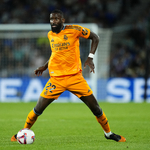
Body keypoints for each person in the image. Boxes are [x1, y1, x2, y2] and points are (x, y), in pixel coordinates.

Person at [11, 9, 126, 142]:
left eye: (56, 19)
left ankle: (108, 133)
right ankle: (24, 131)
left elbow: (95, 37)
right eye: (51, 19)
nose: (53, 21)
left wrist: (90, 57)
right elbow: (56, 53)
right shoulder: (50, 35)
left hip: (75, 78)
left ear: (62, 20)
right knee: (38, 109)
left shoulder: (74, 30)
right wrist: (45, 65)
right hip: (56, 80)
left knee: (95, 108)